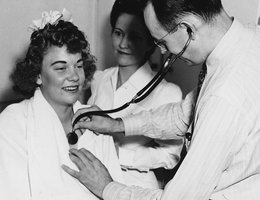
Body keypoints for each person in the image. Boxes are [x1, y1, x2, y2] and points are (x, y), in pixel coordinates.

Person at [63, 0, 260, 199]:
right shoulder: (249, 42)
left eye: (162, 41)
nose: (163, 51)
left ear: (187, 28)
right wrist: (117, 124)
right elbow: (185, 114)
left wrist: (107, 187)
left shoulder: (224, 96)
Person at [0, 9, 123, 200]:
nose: (74, 76)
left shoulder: (96, 120)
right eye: (61, 68)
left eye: (79, 65)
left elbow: (116, 190)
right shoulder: (13, 122)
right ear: (38, 75)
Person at [87, 0, 183, 189]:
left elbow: (170, 156)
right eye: (118, 33)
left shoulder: (166, 92)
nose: (123, 44)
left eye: (135, 37)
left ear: (151, 43)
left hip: (136, 186)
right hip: (92, 178)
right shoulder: (100, 79)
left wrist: (121, 155)